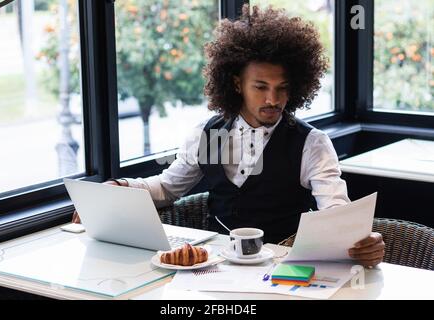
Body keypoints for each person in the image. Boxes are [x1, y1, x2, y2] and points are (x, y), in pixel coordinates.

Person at [73, 5, 385, 268]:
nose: (273, 100)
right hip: (216, 266)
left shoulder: (311, 143)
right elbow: (168, 187)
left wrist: (360, 240)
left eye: (282, 88)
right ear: (236, 84)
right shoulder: (209, 134)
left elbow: (335, 210)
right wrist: (119, 187)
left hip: (283, 264)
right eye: (260, 87)